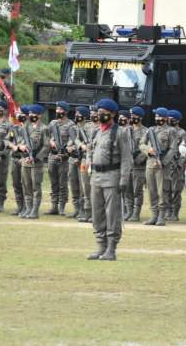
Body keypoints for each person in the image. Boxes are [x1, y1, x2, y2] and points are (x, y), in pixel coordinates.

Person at [85, 98, 133, 261]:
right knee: (97, 213)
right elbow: (90, 150)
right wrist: (89, 164)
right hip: (96, 177)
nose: (99, 115)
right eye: (98, 112)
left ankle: (111, 248)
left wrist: (124, 180)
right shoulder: (96, 131)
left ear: (112, 114)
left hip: (112, 177)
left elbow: (126, 158)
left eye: (103, 113)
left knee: (112, 214)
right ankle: (101, 246)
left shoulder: (120, 132)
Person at [139, 107, 178, 226]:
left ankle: (161, 216)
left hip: (162, 166)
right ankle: (154, 215)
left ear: (165, 118)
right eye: (156, 116)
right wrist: (148, 150)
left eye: (159, 116)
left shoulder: (171, 131)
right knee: (151, 191)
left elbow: (173, 149)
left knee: (162, 191)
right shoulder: (150, 130)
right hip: (150, 164)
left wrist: (163, 162)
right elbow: (141, 144)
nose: (157, 118)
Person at [10, 104, 49, 219]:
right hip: (25, 161)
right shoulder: (26, 128)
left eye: (33, 114)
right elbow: (20, 142)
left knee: (35, 187)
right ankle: (28, 208)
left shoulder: (44, 128)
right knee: (26, 186)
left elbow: (46, 146)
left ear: (39, 115)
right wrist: (21, 148)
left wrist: (36, 157)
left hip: (36, 162)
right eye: (30, 113)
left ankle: (35, 210)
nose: (31, 115)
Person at [47, 101, 75, 215]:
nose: (58, 111)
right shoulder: (53, 123)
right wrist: (50, 141)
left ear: (65, 111)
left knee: (63, 183)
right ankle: (54, 206)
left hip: (64, 158)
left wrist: (65, 150)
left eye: (60, 109)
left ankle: (62, 207)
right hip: (52, 156)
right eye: (57, 109)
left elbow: (72, 139)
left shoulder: (70, 125)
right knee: (53, 183)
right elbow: (46, 136)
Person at [123, 106, 147, 222]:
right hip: (127, 165)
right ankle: (129, 211)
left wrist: (138, 159)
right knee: (127, 190)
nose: (132, 118)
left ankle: (136, 213)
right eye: (131, 116)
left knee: (137, 190)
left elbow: (147, 148)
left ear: (140, 117)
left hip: (139, 166)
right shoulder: (126, 130)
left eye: (134, 116)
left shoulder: (146, 131)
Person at [66, 106, 89, 219]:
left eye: (78, 114)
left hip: (82, 160)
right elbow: (69, 143)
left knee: (82, 186)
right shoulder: (73, 128)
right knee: (73, 184)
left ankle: (83, 210)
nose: (76, 116)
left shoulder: (88, 128)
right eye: (76, 114)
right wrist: (69, 148)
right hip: (72, 160)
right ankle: (76, 209)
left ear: (84, 116)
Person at [7, 105, 30, 216]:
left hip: (25, 159)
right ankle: (20, 207)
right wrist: (13, 146)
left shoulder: (30, 128)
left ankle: (27, 207)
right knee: (16, 184)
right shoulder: (14, 128)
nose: (17, 115)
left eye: (20, 113)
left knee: (26, 185)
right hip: (15, 158)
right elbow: (7, 140)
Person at [166, 109, 186, 221]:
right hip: (166, 165)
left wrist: (179, 164)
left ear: (176, 120)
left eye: (169, 118)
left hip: (176, 166)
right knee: (166, 189)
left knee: (176, 190)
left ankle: (175, 212)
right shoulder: (166, 131)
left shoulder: (182, 133)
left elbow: (184, 151)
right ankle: (167, 211)